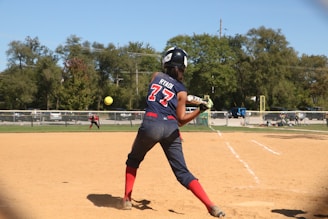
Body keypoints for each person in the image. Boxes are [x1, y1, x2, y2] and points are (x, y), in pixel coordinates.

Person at [121, 47, 225, 217]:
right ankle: (211, 206)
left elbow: (163, 92)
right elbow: (181, 120)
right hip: (171, 129)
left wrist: (184, 97)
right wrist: (200, 109)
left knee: (133, 160)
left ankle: (127, 199)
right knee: (182, 172)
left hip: (151, 124)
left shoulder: (155, 76)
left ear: (166, 63)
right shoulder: (182, 91)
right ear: (183, 67)